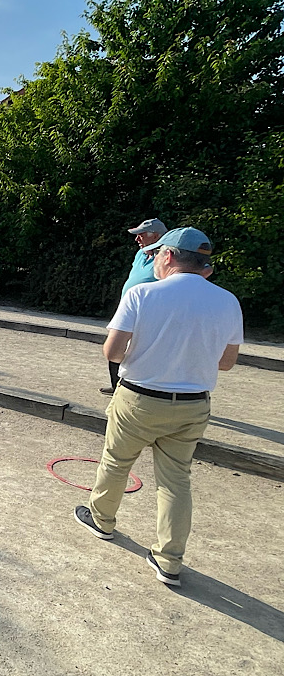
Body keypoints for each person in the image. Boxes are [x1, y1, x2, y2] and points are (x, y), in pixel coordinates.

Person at [74, 227, 243, 588]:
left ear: (167, 256)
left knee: (116, 462)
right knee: (176, 480)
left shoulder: (142, 294)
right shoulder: (228, 301)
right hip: (193, 404)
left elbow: (112, 352)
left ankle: (102, 520)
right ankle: (169, 560)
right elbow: (227, 363)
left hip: (139, 398)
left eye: (156, 255)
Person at [100, 217, 167, 395]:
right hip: (127, 308)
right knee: (116, 344)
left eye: (141, 235)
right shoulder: (140, 254)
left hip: (149, 312)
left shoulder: (165, 258)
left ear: (156, 236)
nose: (137, 239)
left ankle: (138, 387)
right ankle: (115, 385)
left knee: (137, 349)